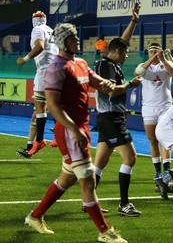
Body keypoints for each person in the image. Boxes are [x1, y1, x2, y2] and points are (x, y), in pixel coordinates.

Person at [24, 23, 128, 242]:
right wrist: (74, 129)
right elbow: (52, 105)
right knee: (88, 180)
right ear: (62, 42)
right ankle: (105, 232)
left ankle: (35, 216)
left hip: (80, 129)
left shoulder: (80, 63)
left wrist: (125, 85)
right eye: (73, 38)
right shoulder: (56, 67)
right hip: (70, 131)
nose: (78, 41)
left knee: (67, 178)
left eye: (77, 37)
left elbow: (102, 85)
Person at [93, 3, 142, 217]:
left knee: (100, 162)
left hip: (107, 118)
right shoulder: (107, 66)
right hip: (111, 117)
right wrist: (131, 84)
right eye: (126, 53)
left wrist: (133, 21)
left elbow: (122, 42)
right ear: (118, 53)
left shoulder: (112, 63)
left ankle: (89, 202)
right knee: (130, 157)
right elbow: (111, 92)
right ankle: (124, 204)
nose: (127, 55)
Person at [16, 10, 58, 157]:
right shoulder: (51, 30)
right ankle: (34, 145)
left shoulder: (37, 30)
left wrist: (24, 59)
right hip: (57, 70)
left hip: (45, 72)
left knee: (40, 107)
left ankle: (40, 140)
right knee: (47, 108)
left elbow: (39, 46)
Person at [134, 42, 173, 180]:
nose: (155, 54)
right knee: (152, 140)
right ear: (148, 53)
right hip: (148, 108)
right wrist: (152, 59)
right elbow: (138, 73)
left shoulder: (165, 64)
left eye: (156, 52)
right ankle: (157, 171)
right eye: (152, 52)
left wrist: (163, 59)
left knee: (164, 139)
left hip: (165, 107)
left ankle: (167, 170)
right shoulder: (144, 66)